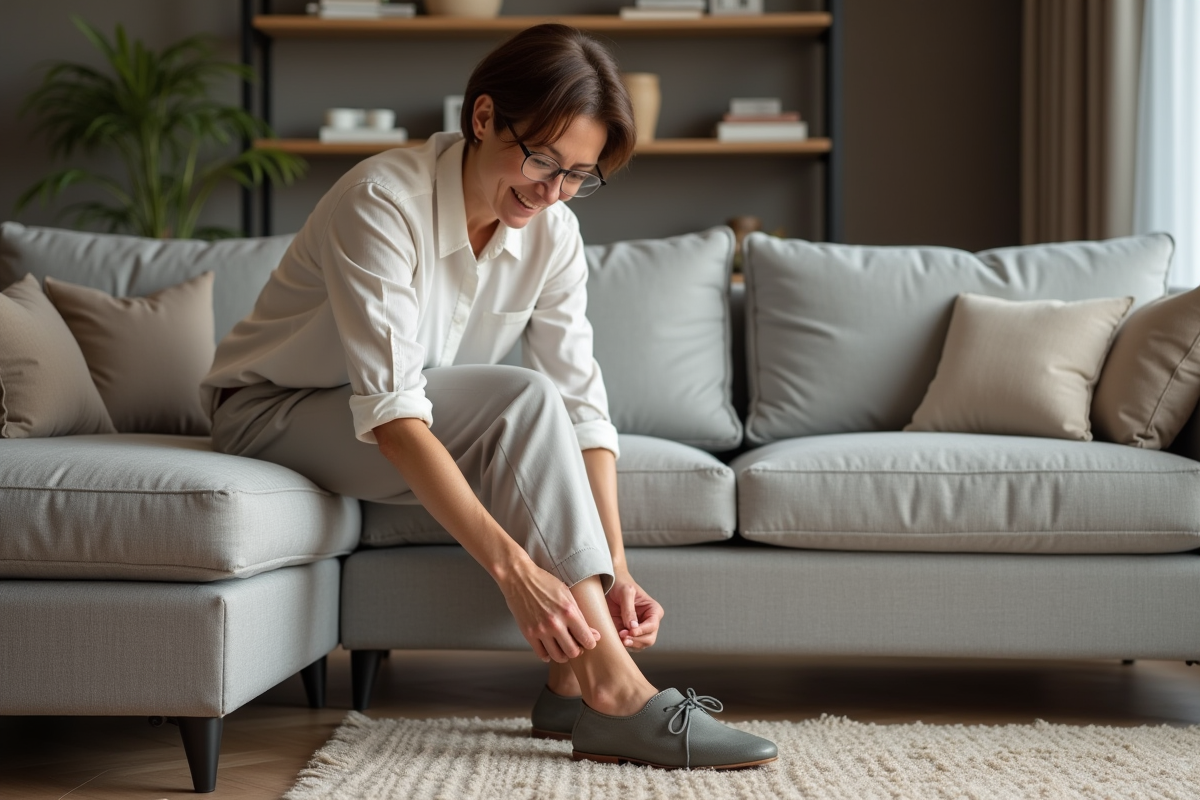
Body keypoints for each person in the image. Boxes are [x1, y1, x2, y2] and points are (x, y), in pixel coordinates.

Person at [202, 23, 776, 770]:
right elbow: (396, 416)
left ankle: (575, 677)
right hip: (271, 412)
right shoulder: (381, 202)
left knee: (539, 400)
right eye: (541, 159)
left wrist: (618, 571)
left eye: (578, 174)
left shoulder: (554, 232)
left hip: (399, 414)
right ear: (481, 118)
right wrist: (518, 576)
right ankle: (617, 694)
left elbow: (583, 412)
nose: (553, 191)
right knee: (518, 399)